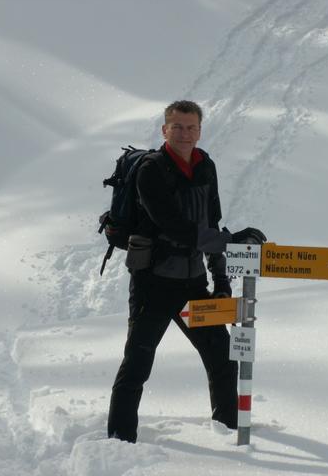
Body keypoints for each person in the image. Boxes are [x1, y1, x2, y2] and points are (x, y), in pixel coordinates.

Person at [107, 100, 266, 443]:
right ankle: (120, 441)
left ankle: (226, 430)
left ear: (200, 130)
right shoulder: (152, 169)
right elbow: (174, 226)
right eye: (177, 127)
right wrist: (228, 243)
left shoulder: (205, 166)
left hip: (193, 283)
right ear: (164, 130)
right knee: (138, 363)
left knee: (221, 356)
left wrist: (221, 280)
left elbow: (211, 224)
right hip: (153, 283)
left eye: (191, 127)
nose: (184, 133)